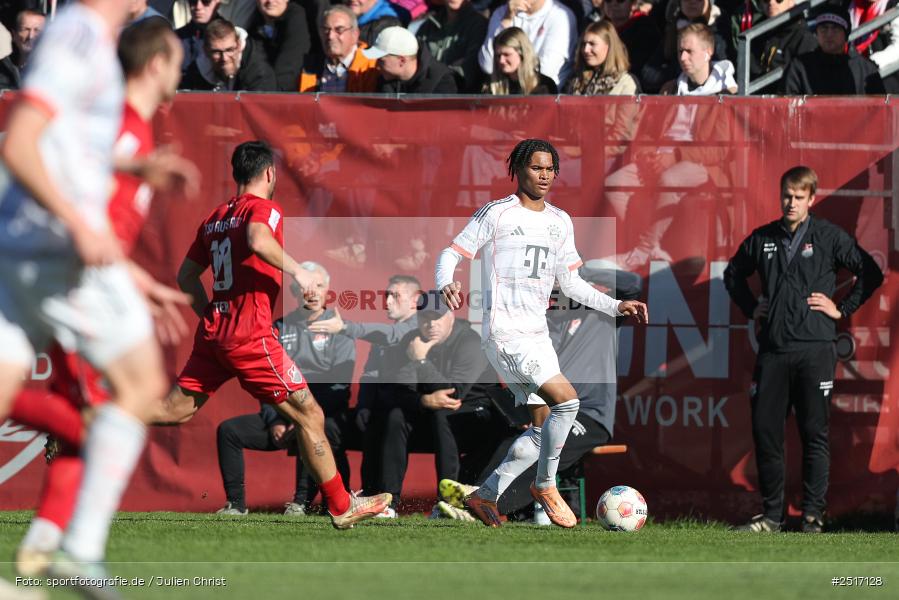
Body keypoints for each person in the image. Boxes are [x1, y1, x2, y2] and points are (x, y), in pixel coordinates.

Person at [0, 2, 197, 592]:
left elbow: (70, 150)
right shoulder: (81, 37)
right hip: (58, 252)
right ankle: (76, 549)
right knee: (137, 388)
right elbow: (21, 143)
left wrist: (134, 165)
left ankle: (58, 547)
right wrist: (81, 226)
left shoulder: (92, 48)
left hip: (37, 251)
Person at [157, 140, 391, 530]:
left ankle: (82, 420)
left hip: (216, 332)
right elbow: (258, 240)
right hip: (250, 335)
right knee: (310, 413)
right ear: (269, 173)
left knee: (173, 411)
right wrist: (301, 272)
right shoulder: (264, 208)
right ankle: (340, 505)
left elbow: (185, 277)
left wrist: (210, 313)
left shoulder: (214, 217)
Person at [435, 138, 648, 528]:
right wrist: (444, 281)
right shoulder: (497, 214)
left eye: (550, 168)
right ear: (518, 170)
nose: (545, 175)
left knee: (542, 424)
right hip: (504, 332)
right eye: (536, 167)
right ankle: (545, 486)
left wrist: (616, 306)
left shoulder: (559, 221)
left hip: (537, 337)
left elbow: (572, 284)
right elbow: (451, 252)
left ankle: (485, 495)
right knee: (568, 403)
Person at [724, 166, 883, 533]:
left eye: (798, 197)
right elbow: (732, 275)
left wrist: (840, 308)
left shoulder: (828, 236)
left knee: (814, 433)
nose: (791, 203)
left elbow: (870, 272)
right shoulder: (763, 237)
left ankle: (813, 515)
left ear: (812, 199)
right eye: (786, 196)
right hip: (774, 351)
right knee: (766, 431)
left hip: (815, 350)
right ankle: (772, 516)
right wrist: (752, 308)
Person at [438, 265, 640, 521]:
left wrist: (579, 269)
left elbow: (632, 283)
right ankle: (467, 500)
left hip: (591, 414)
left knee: (549, 443)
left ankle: (488, 508)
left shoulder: (601, 313)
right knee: (508, 440)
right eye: (550, 289)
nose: (553, 294)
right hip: (549, 409)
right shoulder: (540, 328)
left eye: (559, 286)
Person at [216, 262, 355, 515]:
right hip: (281, 414)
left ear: (328, 291)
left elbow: (339, 387)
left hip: (322, 415)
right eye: (306, 287)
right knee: (228, 431)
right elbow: (266, 379)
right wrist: (274, 420)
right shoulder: (278, 329)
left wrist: (301, 416)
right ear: (294, 292)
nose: (312, 293)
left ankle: (301, 502)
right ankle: (235, 505)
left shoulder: (339, 329)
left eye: (319, 286)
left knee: (311, 427)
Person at [600, 23, 734, 271]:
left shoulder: (722, 95)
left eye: (689, 51)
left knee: (670, 178)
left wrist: (675, 156)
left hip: (700, 165)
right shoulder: (670, 88)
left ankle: (640, 252)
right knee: (615, 184)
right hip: (661, 157)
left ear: (708, 51)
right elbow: (648, 128)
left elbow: (721, 150)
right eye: (680, 51)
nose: (682, 57)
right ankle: (652, 245)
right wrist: (647, 151)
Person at [375, 291, 504, 512]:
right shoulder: (411, 341)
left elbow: (454, 395)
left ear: (451, 316)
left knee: (444, 412)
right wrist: (423, 400)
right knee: (395, 415)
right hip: (433, 415)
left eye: (438, 316)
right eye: (425, 317)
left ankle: (447, 503)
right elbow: (397, 390)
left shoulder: (471, 342)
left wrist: (422, 361)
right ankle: (388, 504)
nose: (431, 323)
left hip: (477, 420)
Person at [307, 274, 421, 508]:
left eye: (395, 295)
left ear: (414, 300)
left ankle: (390, 502)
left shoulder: (417, 329)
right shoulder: (383, 336)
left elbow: (392, 336)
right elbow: (370, 374)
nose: (388, 301)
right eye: (386, 295)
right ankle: (342, 498)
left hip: (415, 413)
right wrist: (364, 406)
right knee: (329, 426)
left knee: (392, 417)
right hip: (380, 409)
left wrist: (345, 327)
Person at [783, 5, 885, 95]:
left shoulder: (865, 69)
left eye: (835, 28)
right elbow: (788, 106)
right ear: (816, 33)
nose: (829, 34)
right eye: (824, 28)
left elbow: (878, 109)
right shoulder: (800, 67)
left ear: (846, 34)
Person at [478, 0, 577, 88]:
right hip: (506, 92)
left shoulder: (560, 16)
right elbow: (488, 65)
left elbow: (547, 70)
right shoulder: (501, 13)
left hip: (543, 95)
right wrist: (507, 20)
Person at [179, 16, 277, 91]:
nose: (224, 58)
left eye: (229, 50)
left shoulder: (258, 74)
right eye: (216, 52)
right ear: (206, 51)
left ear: (239, 45)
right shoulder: (196, 73)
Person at [298, 4, 379, 93]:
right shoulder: (309, 66)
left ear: (355, 34)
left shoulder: (372, 67)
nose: (330, 36)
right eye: (326, 29)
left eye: (339, 30)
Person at [415, 0, 488, 93]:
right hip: (426, 92)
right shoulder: (428, 25)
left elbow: (470, 67)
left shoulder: (479, 25)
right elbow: (415, 60)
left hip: (461, 96)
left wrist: (443, 82)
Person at [749, 0, 817, 94]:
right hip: (753, 100)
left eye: (779, 0)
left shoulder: (803, 37)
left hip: (783, 103)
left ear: (791, 1)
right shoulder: (755, 32)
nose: (771, 2)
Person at [364, 25, 458, 93]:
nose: (376, 66)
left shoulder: (443, 82)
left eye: (381, 61)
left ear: (402, 61)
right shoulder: (385, 79)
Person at [246, 0, 311, 91]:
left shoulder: (296, 19)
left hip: (288, 95)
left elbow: (288, 70)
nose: (270, 1)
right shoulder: (253, 23)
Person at [564, 19, 638, 95]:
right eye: (583, 44)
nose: (586, 50)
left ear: (609, 47)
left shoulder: (625, 82)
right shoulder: (576, 80)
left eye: (592, 44)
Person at [483, 27, 558, 95]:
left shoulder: (544, 85)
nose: (501, 60)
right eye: (498, 56)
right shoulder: (490, 86)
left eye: (507, 54)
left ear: (522, 54)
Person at [0, 8, 44, 89]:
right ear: (14, 35)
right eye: (25, 30)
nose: (30, 36)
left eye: (37, 30)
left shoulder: (58, 69)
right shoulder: (2, 68)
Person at [175, 0, 223, 74]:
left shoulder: (232, 38)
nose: (198, 7)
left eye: (206, 1)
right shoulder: (175, 38)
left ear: (218, 3)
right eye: (193, 1)